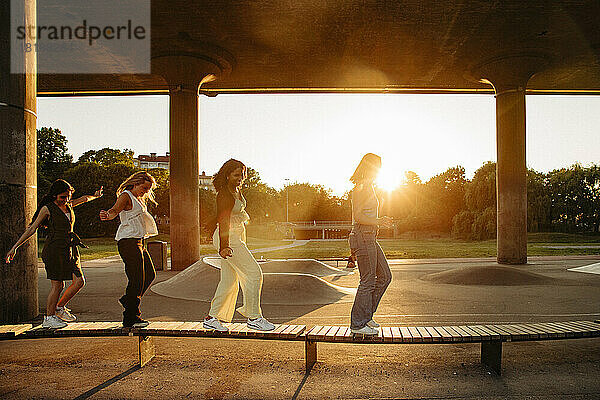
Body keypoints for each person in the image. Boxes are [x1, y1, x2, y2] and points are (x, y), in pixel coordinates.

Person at [5, 180, 103, 328]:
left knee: (79, 281)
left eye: (68, 196)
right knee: (58, 285)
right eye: (63, 197)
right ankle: (49, 318)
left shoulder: (68, 205)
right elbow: (32, 229)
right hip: (54, 250)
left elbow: (84, 199)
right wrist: (15, 247)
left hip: (69, 248)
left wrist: (95, 196)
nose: (66, 200)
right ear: (54, 195)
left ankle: (58, 307)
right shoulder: (47, 208)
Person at [203, 159, 275, 332]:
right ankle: (254, 317)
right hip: (227, 237)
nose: (240, 178)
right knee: (254, 273)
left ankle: (212, 318)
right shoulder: (225, 194)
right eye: (236, 174)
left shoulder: (236, 191)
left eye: (242, 174)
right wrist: (224, 245)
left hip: (236, 236)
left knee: (229, 281)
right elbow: (224, 220)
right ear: (227, 175)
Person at [99, 171, 158, 328]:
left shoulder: (138, 198)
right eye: (144, 188)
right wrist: (107, 215)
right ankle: (131, 317)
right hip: (128, 241)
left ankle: (128, 300)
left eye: (148, 190)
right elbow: (114, 211)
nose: (145, 192)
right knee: (136, 279)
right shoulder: (126, 195)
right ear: (136, 182)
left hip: (139, 240)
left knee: (150, 274)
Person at [348, 153, 393, 335]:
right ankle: (358, 324)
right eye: (378, 167)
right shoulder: (360, 187)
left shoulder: (369, 187)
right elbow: (358, 217)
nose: (380, 170)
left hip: (370, 237)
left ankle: (366, 316)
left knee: (385, 276)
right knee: (367, 280)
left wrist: (378, 223)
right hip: (363, 236)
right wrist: (378, 221)